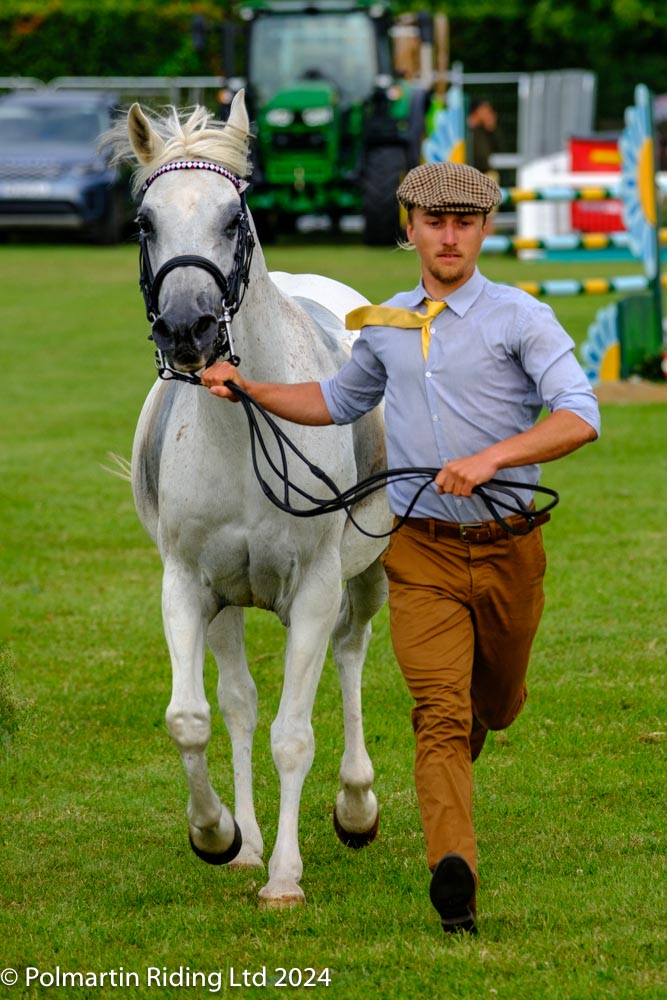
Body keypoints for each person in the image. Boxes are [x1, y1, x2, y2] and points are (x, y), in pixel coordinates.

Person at [201, 161, 600, 936]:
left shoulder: (521, 318)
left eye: (463, 222)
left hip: (511, 546)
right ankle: (454, 875)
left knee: (496, 704)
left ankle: (487, 719)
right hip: (418, 551)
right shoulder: (384, 326)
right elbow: (335, 400)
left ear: (483, 230)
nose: (448, 237)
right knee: (438, 714)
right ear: (408, 228)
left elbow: (579, 414)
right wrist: (250, 388)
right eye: (433, 222)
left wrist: (491, 459)